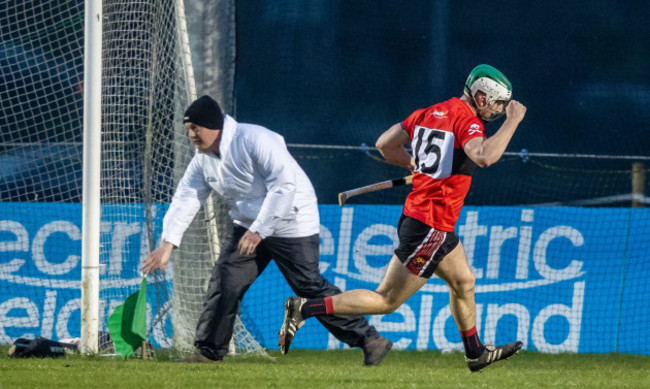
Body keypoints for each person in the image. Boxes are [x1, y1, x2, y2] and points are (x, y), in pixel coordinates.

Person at [279, 64, 527, 372]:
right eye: (498, 103)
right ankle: (305, 308)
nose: (501, 110)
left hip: (423, 219)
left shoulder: (428, 112)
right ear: (479, 97)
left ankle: (475, 352)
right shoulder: (469, 122)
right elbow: (485, 156)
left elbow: (385, 144)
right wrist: (514, 122)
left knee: (464, 282)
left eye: (506, 107)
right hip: (431, 225)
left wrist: (413, 163)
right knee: (386, 300)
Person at [142, 95, 392, 366]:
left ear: (214, 126)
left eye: (195, 128)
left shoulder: (255, 139)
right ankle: (207, 353)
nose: (190, 134)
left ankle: (370, 339)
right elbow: (187, 196)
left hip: (292, 221)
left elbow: (284, 186)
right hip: (249, 226)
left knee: (308, 286)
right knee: (225, 281)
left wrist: (260, 230)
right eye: (188, 128)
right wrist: (167, 244)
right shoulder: (202, 159)